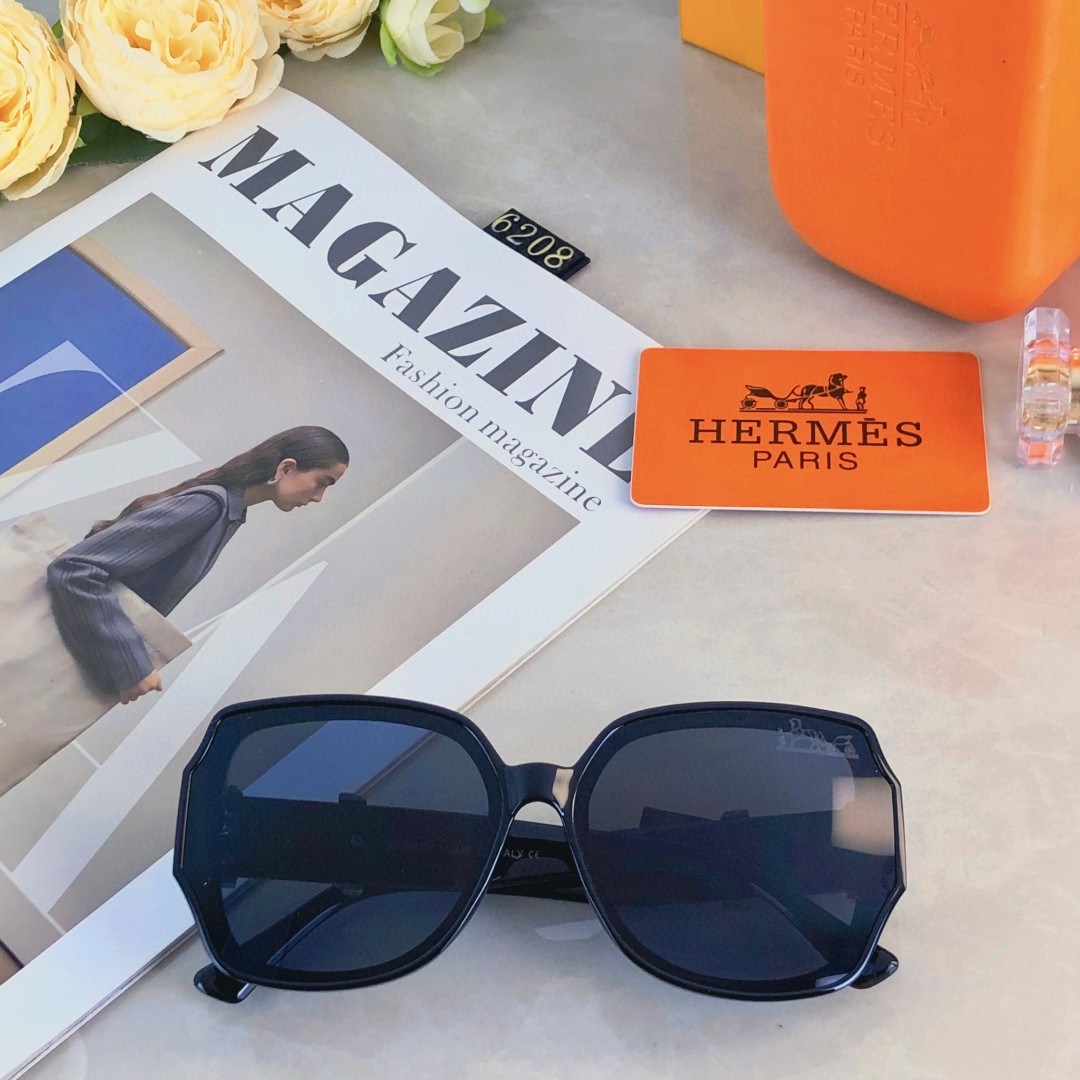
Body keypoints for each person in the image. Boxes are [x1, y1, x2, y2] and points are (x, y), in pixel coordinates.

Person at [47, 425, 349, 704]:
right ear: (286, 468)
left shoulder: (224, 513)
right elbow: (75, 569)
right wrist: (131, 666)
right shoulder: (208, 506)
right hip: (55, 655)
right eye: (322, 483)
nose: (319, 498)